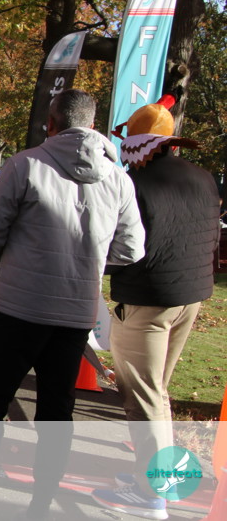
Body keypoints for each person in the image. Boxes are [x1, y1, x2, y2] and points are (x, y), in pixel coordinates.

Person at [0, 89, 145, 519]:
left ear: (52, 122)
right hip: (73, 314)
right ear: (93, 125)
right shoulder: (119, 179)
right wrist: (85, 265)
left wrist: (13, 263)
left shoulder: (26, 164)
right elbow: (132, 249)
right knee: (56, 411)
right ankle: (41, 503)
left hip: (16, 306)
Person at [91, 96, 220, 520]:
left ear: (135, 142)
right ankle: (159, 481)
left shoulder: (132, 183)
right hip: (191, 296)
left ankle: (152, 495)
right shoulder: (203, 178)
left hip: (147, 299)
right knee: (157, 392)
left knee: (143, 399)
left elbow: (118, 245)